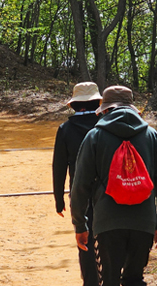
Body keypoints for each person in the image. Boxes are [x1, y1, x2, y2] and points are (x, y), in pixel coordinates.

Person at [70, 85, 157, 286]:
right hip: (143, 222)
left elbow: (81, 183)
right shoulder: (151, 136)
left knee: (109, 281)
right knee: (134, 279)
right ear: (132, 108)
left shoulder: (95, 136)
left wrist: (80, 224)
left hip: (107, 223)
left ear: (106, 109)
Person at [52, 81, 101, 286]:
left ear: (73, 105)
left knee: (84, 236)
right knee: (106, 236)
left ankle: (90, 281)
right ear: (98, 103)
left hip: (79, 192)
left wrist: (59, 199)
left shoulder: (65, 129)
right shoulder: (103, 125)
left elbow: (59, 166)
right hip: (106, 190)